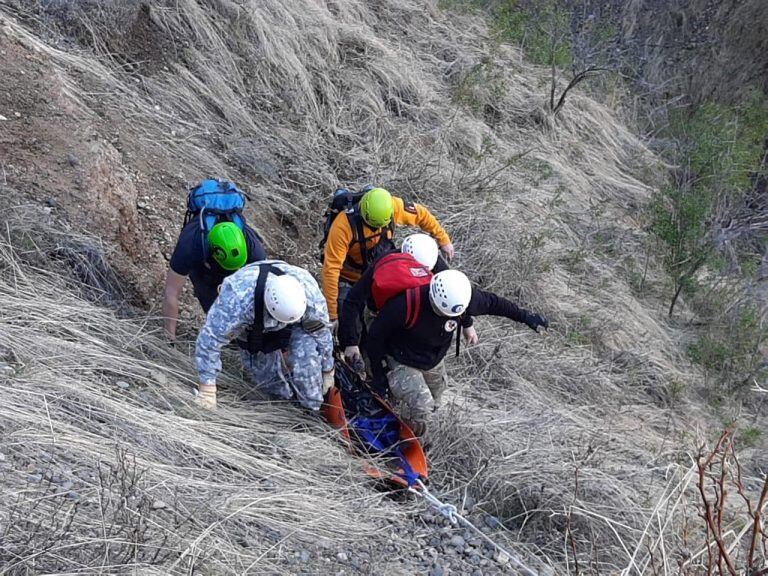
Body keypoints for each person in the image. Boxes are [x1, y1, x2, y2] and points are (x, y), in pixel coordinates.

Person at [365, 269, 548, 435]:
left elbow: (494, 304)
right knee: (423, 405)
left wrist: (524, 316)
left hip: (432, 360)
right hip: (400, 359)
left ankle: (411, 422)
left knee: (437, 399)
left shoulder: (463, 299)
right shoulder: (405, 305)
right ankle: (410, 444)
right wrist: (379, 375)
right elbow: (375, 336)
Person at [194, 260, 334, 410]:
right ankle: (286, 409)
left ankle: (313, 408)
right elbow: (210, 340)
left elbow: (321, 334)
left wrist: (328, 369)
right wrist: (207, 388)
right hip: (254, 326)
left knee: (307, 363)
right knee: (271, 386)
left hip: (297, 324)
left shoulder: (310, 295)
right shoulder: (237, 300)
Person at [321, 187, 454, 326]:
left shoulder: (393, 206)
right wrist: (332, 313)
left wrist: (443, 239)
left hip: (379, 271)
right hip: (350, 278)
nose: (376, 230)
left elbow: (422, 214)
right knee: (348, 320)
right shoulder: (343, 227)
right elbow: (331, 269)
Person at [338, 234, 466, 369]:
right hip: (379, 312)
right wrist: (351, 342)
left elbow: (455, 292)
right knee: (377, 351)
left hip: (412, 316)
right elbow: (353, 300)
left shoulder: (432, 261)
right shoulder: (383, 264)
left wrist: (467, 322)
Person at [163, 218, 266, 341]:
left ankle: (243, 335)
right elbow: (171, 292)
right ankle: (225, 333)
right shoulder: (190, 245)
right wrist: (169, 338)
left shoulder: (254, 249)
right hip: (205, 269)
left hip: (238, 266)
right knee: (213, 305)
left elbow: (263, 291)